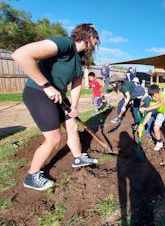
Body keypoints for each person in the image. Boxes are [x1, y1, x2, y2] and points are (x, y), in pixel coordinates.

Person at [11, 23, 100, 191]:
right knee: (54, 138)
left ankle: (78, 157)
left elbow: (76, 85)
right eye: (96, 40)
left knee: (72, 125)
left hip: (58, 96)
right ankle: (32, 176)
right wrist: (46, 86)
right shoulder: (65, 44)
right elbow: (20, 55)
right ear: (88, 37)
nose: (96, 44)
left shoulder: (78, 59)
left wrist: (73, 106)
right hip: (38, 92)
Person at [140, 84, 165, 154]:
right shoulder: (152, 102)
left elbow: (161, 104)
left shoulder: (164, 94)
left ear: (158, 92)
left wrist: (146, 108)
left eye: (154, 96)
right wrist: (142, 125)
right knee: (156, 128)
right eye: (151, 96)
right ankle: (159, 142)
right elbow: (149, 114)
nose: (153, 98)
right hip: (161, 113)